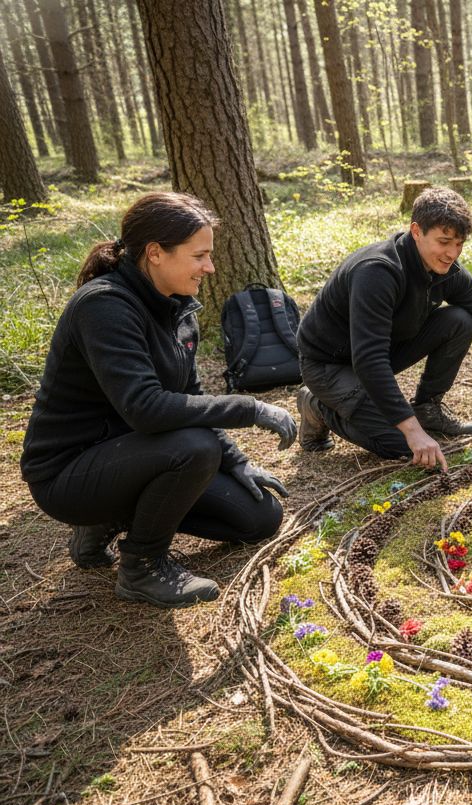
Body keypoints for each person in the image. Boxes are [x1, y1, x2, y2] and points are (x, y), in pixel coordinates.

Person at [21, 193, 295, 609]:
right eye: (200, 256)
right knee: (193, 448)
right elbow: (146, 408)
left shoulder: (177, 306)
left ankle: (110, 519)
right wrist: (250, 408)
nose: (211, 267)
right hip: (68, 474)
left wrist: (236, 462)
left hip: (138, 458)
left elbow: (190, 398)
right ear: (155, 253)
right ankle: (142, 566)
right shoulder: (104, 306)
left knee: (260, 518)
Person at [296, 187, 472, 468]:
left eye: (458, 244)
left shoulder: (447, 270)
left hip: (384, 349)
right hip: (329, 364)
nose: (451, 253)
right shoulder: (377, 272)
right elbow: (369, 359)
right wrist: (411, 430)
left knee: (461, 319)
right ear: (416, 231)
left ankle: (427, 407)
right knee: (402, 446)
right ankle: (317, 406)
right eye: (444, 242)